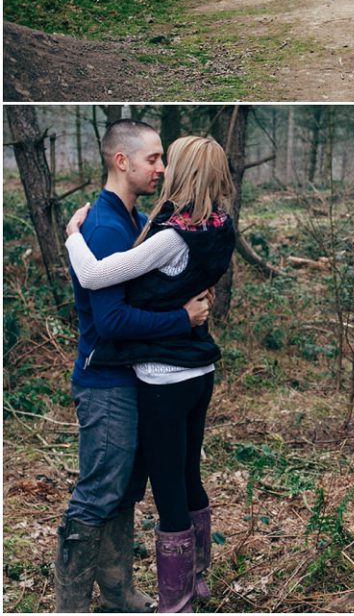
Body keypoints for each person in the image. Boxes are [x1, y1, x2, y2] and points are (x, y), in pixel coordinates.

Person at [65, 135, 235, 616]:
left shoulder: (168, 235)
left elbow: (96, 276)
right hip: (197, 370)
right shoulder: (219, 225)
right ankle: (194, 580)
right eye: (153, 159)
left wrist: (72, 235)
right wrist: (187, 312)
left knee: (168, 488)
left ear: (184, 172)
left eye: (167, 160)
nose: (161, 169)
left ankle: (175, 601)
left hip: (165, 378)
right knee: (186, 475)